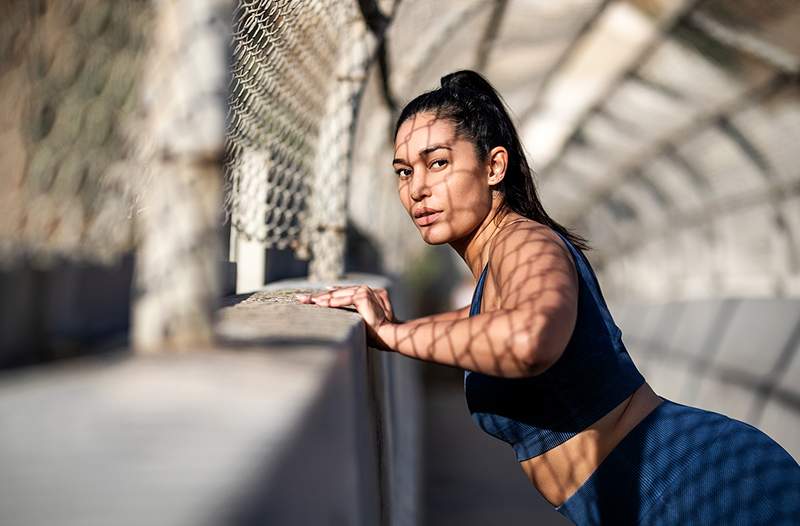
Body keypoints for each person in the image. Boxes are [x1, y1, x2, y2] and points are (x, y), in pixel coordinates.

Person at [296, 70, 800, 525]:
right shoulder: (499, 265)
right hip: (644, 492)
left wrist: (396, 333)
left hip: (698, 485)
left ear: (495, 167)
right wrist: (391, 330)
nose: (418, 189)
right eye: (404, 172)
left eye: (439, 163)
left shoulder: (525, 240)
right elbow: (478, 321)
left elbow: (529, 338)